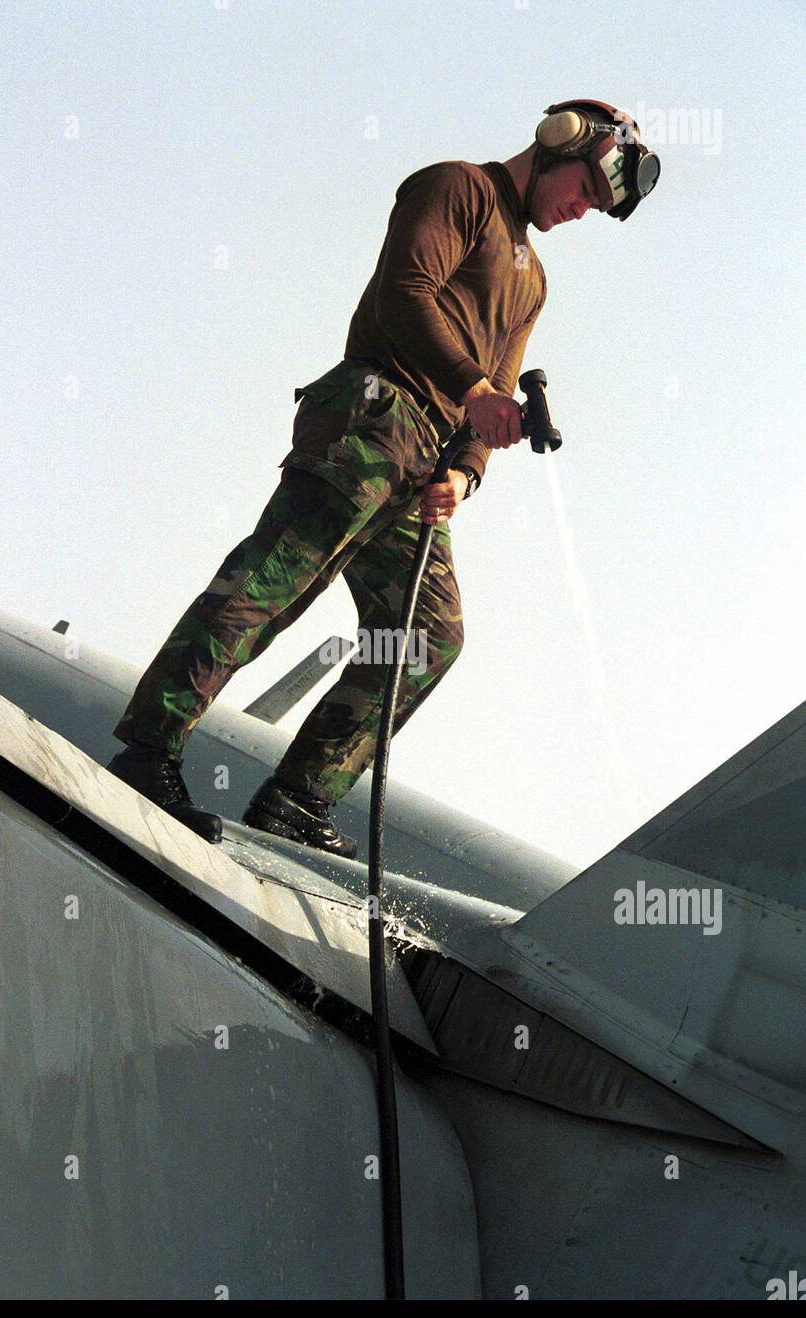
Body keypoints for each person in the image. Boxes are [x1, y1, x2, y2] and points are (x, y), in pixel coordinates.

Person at [106, 100, 660, 859]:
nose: (580, 211)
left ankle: (297, 800)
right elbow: (406, 292)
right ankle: (148, 752)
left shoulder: (532, 281)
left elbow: (497, 384)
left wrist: (466, 472)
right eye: (583, 192)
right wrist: (471, 390)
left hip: (426, 462)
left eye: (597, 207)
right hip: (370, 417)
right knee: (274, 583)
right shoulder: (457, 187)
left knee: (429, 638)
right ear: (559, 142)